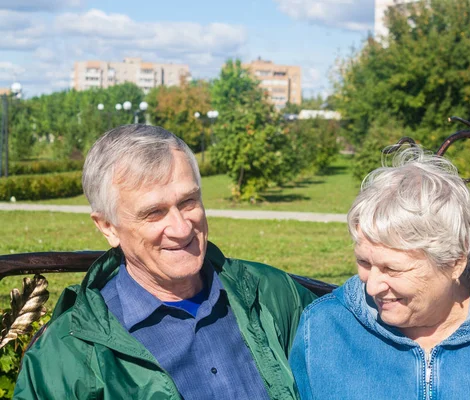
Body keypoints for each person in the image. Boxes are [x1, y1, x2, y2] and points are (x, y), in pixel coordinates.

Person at [14, 125, 316, 399]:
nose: (182, 228)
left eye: (188, 202)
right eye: (154, 213)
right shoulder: (68, 354)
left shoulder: (271, 295)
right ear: (107, 226)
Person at [290, 147, 470, 399]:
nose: (372, 287)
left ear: (455, 263)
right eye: (365, 263)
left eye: (393, 269)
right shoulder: (325, 328)